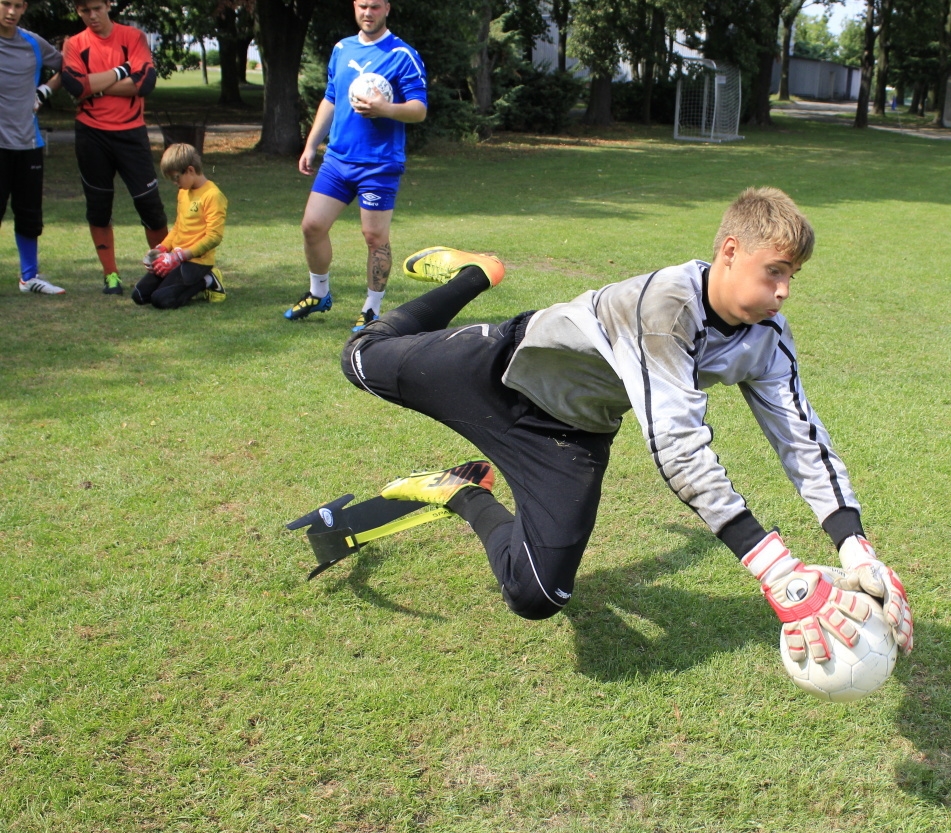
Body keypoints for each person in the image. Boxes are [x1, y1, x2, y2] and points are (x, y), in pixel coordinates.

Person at [340, 187, 914, 665]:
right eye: (775, 272)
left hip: (569, 435)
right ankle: (474, 275)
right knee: (360, 357)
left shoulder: (769, 336)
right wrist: (777, 572)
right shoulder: (666, 306)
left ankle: (458, 492)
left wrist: (854, 549)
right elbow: (678, 447)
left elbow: (800, 438)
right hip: (497, 373)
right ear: (732, 251)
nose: (785, 291)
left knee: (535, 595)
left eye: (792, 276)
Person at [284, 0, 428, 332]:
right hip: (338, 159)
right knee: (312, 226)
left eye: (375, 7)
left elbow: (419, 109)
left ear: (387, 9)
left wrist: (385, 108)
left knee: (374, 237)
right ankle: (319, 294)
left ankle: (372, 309)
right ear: (354, 7)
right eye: (362, 6)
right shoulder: (341, 49)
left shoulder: (401, 55)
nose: (368, 13)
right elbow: (331, 98)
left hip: (379, 164)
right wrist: (311, 144)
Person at [59, 0, 167, 296]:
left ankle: (166, 269)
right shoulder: (74, 44)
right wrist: (122, 73)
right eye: (84, 11)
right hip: (91, 135)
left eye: (96, 8)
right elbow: (76, 87)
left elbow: (144, 82)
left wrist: (97, 85)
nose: (92, 16)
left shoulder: (133, 37)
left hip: (131, 133)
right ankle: (111, 276)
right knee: (98, 208)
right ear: (78, 12)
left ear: (108, 5)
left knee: (150, 205)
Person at [1, 0, 64, 295]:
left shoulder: (33, 43)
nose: (11, 11)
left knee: (28, 214)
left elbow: (70, 64)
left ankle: (29, 278)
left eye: (17, 5)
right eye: (4, 4)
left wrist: (45, 90)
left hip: (28, 144)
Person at [131, 143, 226, 309]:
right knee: (139, 295)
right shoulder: (184, 192)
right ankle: (182, 281)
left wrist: (180, 257)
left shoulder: (213, 195)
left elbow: (214, 237)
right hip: (176, 258)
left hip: (197, 261)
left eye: (176, 177)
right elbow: (178, 227)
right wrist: (162, 249)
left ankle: (208, 279)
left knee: (161, 300)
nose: (175, 183)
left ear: (190, 170)